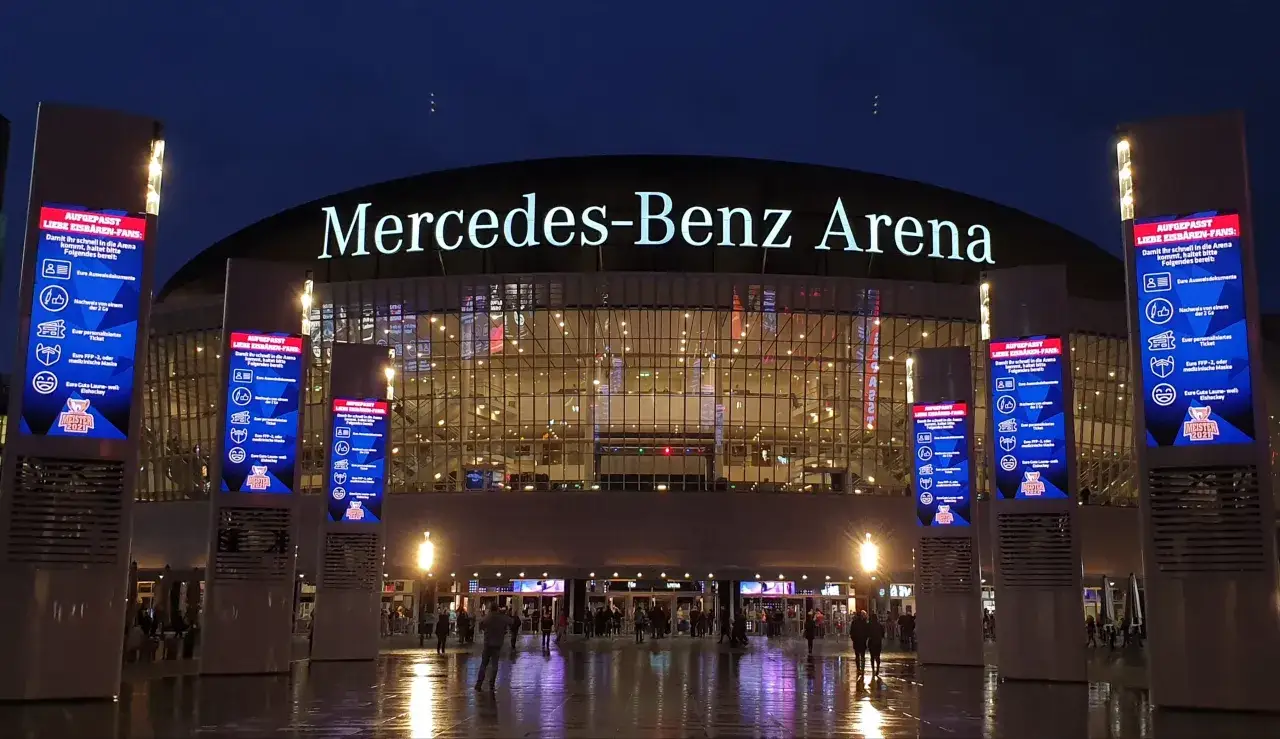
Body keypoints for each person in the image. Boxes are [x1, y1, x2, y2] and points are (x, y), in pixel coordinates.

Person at [475, 607, 513, 691]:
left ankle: (479, 683)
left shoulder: (488, 617)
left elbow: (481, 623)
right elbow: (511, 621)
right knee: (495, 665)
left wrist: (485, 629)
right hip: (497, 644)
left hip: (487, 644)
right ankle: (491, 684)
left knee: (484, 664)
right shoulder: (501, 617)